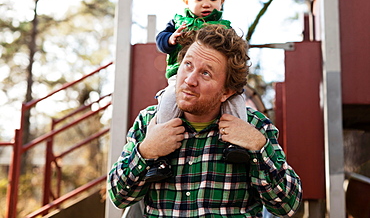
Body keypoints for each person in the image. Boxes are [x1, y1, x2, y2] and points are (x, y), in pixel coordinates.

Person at [108, 25, 303, 217]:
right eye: (188, 65)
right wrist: (146, 151)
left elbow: (287, 206)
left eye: (205, 73)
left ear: (226, 92)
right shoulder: (149, 121)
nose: (189, 80)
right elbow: (119, 197)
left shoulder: (255, 127)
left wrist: (259, 147)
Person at [151, 0, 249, 182]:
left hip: (215, 79)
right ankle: (160, 155)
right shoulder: (178, 23)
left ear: (222, 1)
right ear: (186, 1)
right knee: (168, 100)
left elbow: (235, 53)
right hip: (180, 76)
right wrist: (170, 39)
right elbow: (161, 41)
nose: (207, 4)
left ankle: (236, 143)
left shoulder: (223, 28)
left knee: (235, 99)